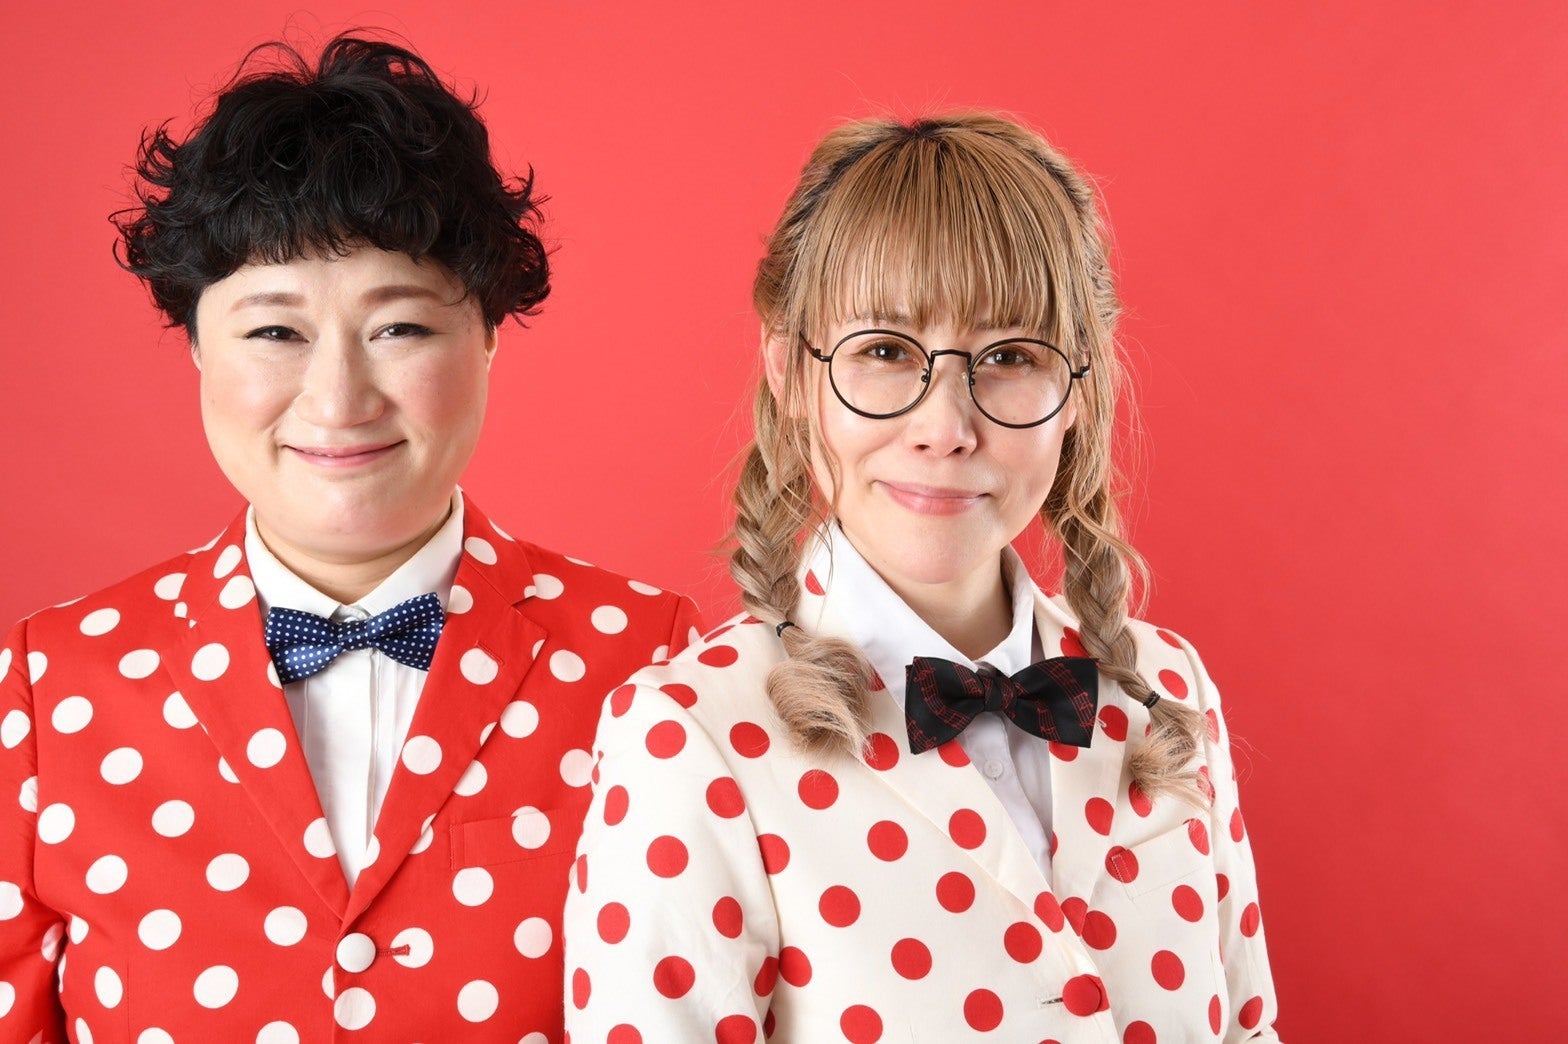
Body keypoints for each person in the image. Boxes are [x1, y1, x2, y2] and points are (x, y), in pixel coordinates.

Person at [0, 35, 698, 1042]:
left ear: (488, 333)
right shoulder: (47, 685)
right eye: (274, 332)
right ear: (194, 344)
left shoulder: (648, 664)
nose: (337, 399)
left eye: (399, 328)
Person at [564, 113, 1280, 1041]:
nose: (945, 428)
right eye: (885, 352)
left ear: (1081, 387)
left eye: (1010, 357)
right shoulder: (688, 736)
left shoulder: (1168, 689)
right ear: (790, 373)